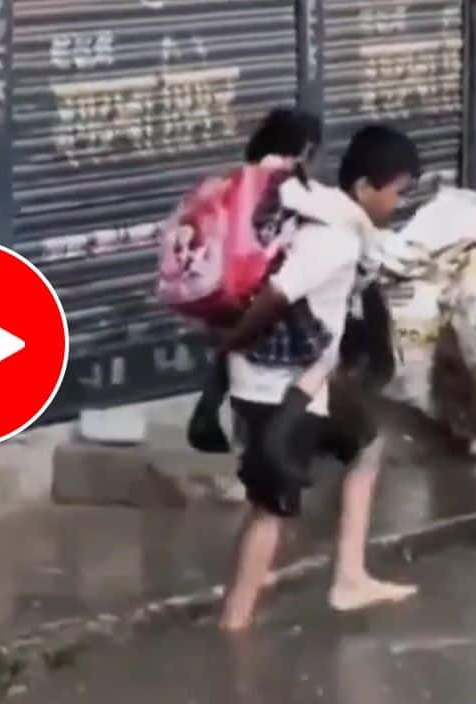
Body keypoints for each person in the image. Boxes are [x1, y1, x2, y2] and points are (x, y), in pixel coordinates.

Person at [217, 124, 422, 632]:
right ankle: (233, 626)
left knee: (365, 442)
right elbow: (279, 295)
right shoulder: (332, 236)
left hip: (303, 380)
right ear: (364, 189)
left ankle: (349, 577)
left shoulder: (330, 217)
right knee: (270, 509)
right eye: (397, 192)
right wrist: (231, 345)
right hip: (282, 388)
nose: (398, 203)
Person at [187, 107, 339, 456]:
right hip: (273, 309)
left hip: (227, 290)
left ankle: (211, 412)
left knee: (235, 357)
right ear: (303, 148)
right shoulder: (285, 184)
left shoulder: (235, 179)